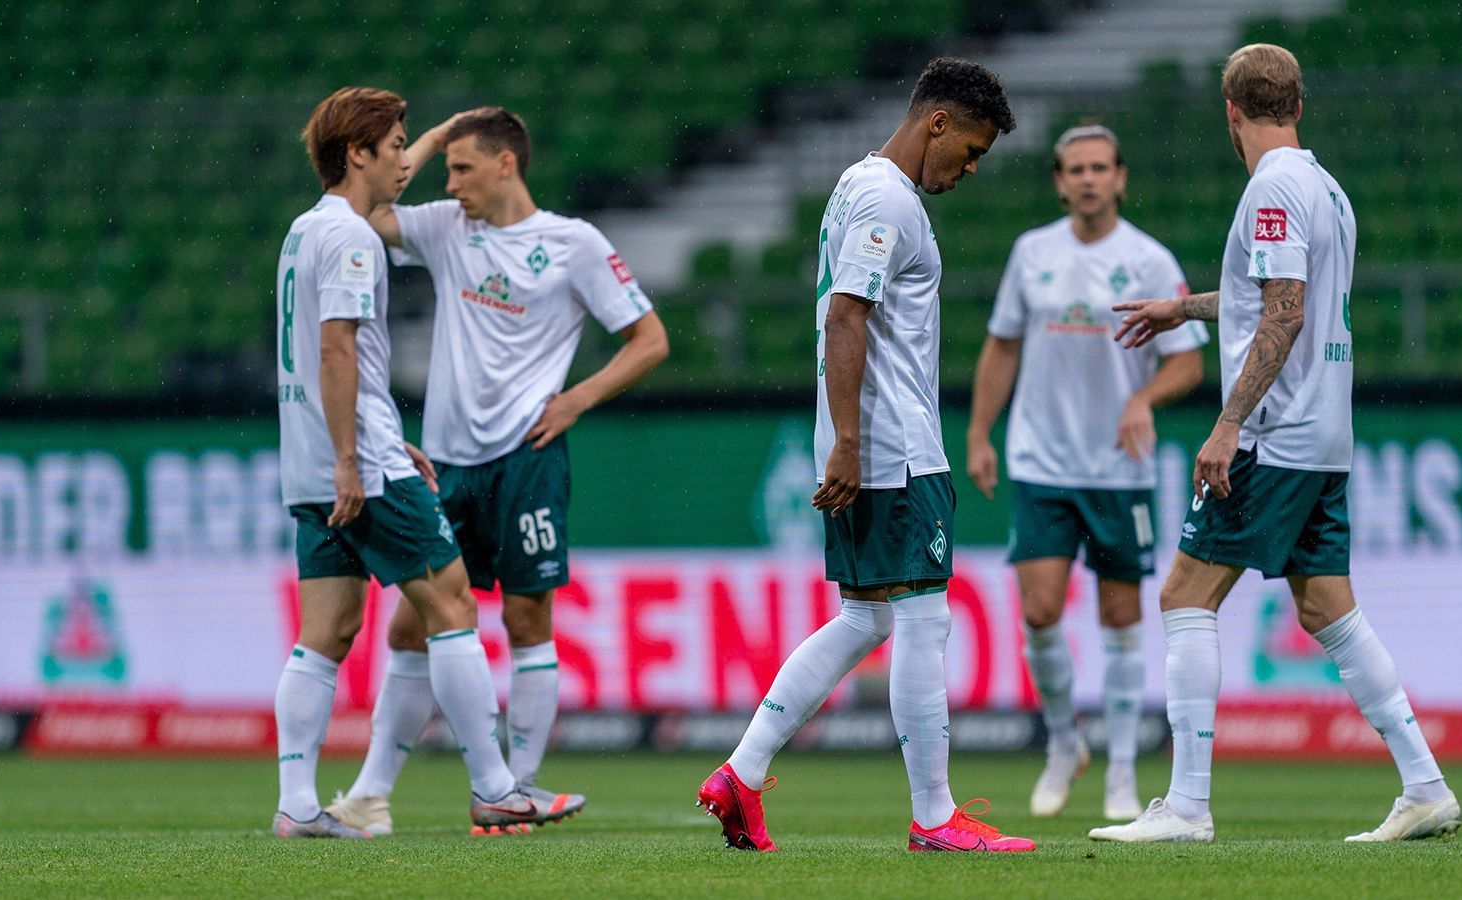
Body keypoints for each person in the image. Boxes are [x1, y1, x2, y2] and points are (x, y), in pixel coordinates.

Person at [1089, 44, 1461, 843]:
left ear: (1231, 112)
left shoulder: (1274, 187)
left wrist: (1228, 424)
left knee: (1185, 593)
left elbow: (1284, 312)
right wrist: (1182, 310)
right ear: (1300, 103)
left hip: (1274, 433)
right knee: (1328, 606)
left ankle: (1187, 807)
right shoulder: (1325, 185)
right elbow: (1275, 293)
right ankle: (1425, 786)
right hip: (1325, 433)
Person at [697, 57, 1033, 853]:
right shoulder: (888, 199)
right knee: (921, 615)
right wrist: (851, 442)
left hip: (865, 439)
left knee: (866, 616)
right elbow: (846, 316)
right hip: (892, 446)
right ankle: (934, 816)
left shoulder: (857, 183)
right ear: (937, 123)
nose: (972, 167)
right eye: (971, 148)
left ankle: (741, 775)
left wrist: (842, 440)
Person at [324, 107, 669, 836]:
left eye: (463, 169)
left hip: (526, 457)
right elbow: (374, 206)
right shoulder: (448, 228)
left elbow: (649, 340)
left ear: (506, 164)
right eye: (446, 171)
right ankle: (368, 796)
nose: (450, 185)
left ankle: (518, 790)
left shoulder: (573, 245)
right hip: (447, 462)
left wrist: (576, 399)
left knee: (524, 616)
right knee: (409, 628)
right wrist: (440, 133)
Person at [272, 87, 547, 838]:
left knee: (324, 633)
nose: (405, 159)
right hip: (351, 460)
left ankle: (297, 805)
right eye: (394, 145)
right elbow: (337, 348)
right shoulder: (355, 240)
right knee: (452, 605)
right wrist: (356, 459)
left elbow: (330, 357)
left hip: (309, 456)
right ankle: (495, 787)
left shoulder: (305, 231)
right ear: (358, 153)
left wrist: (377, 439)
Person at [965, 123, 1207, 822]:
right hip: (1040, 460)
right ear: (1059, 180)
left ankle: (1124, 772)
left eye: (1101, 167)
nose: (1089, 178)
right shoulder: (1031, 253)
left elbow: (1188, 362)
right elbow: (1002, 347)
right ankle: (1065, 740)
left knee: (1121, 616)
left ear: (1121, 177)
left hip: (1118, 468)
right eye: (1076, 168)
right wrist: (981, 431)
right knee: (1039, 611)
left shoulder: (1152, 261)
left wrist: (1143, 396)